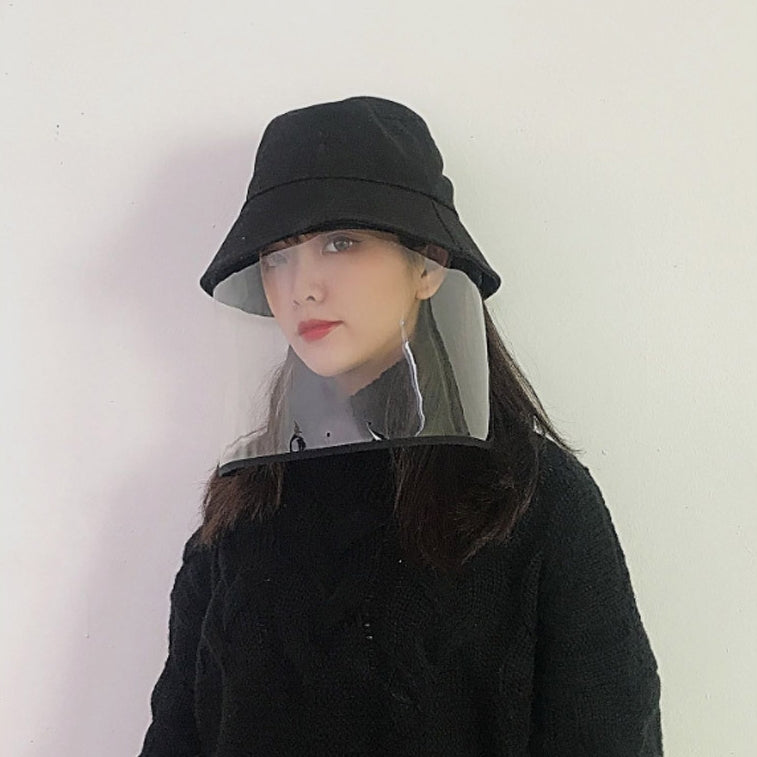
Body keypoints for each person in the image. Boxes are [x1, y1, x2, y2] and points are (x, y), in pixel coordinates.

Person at [139, 96, 662, 756]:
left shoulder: (532, 501)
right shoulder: (244, 506)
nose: (301, 286)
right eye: (275, 255)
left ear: (429, 263)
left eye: (340, 242)